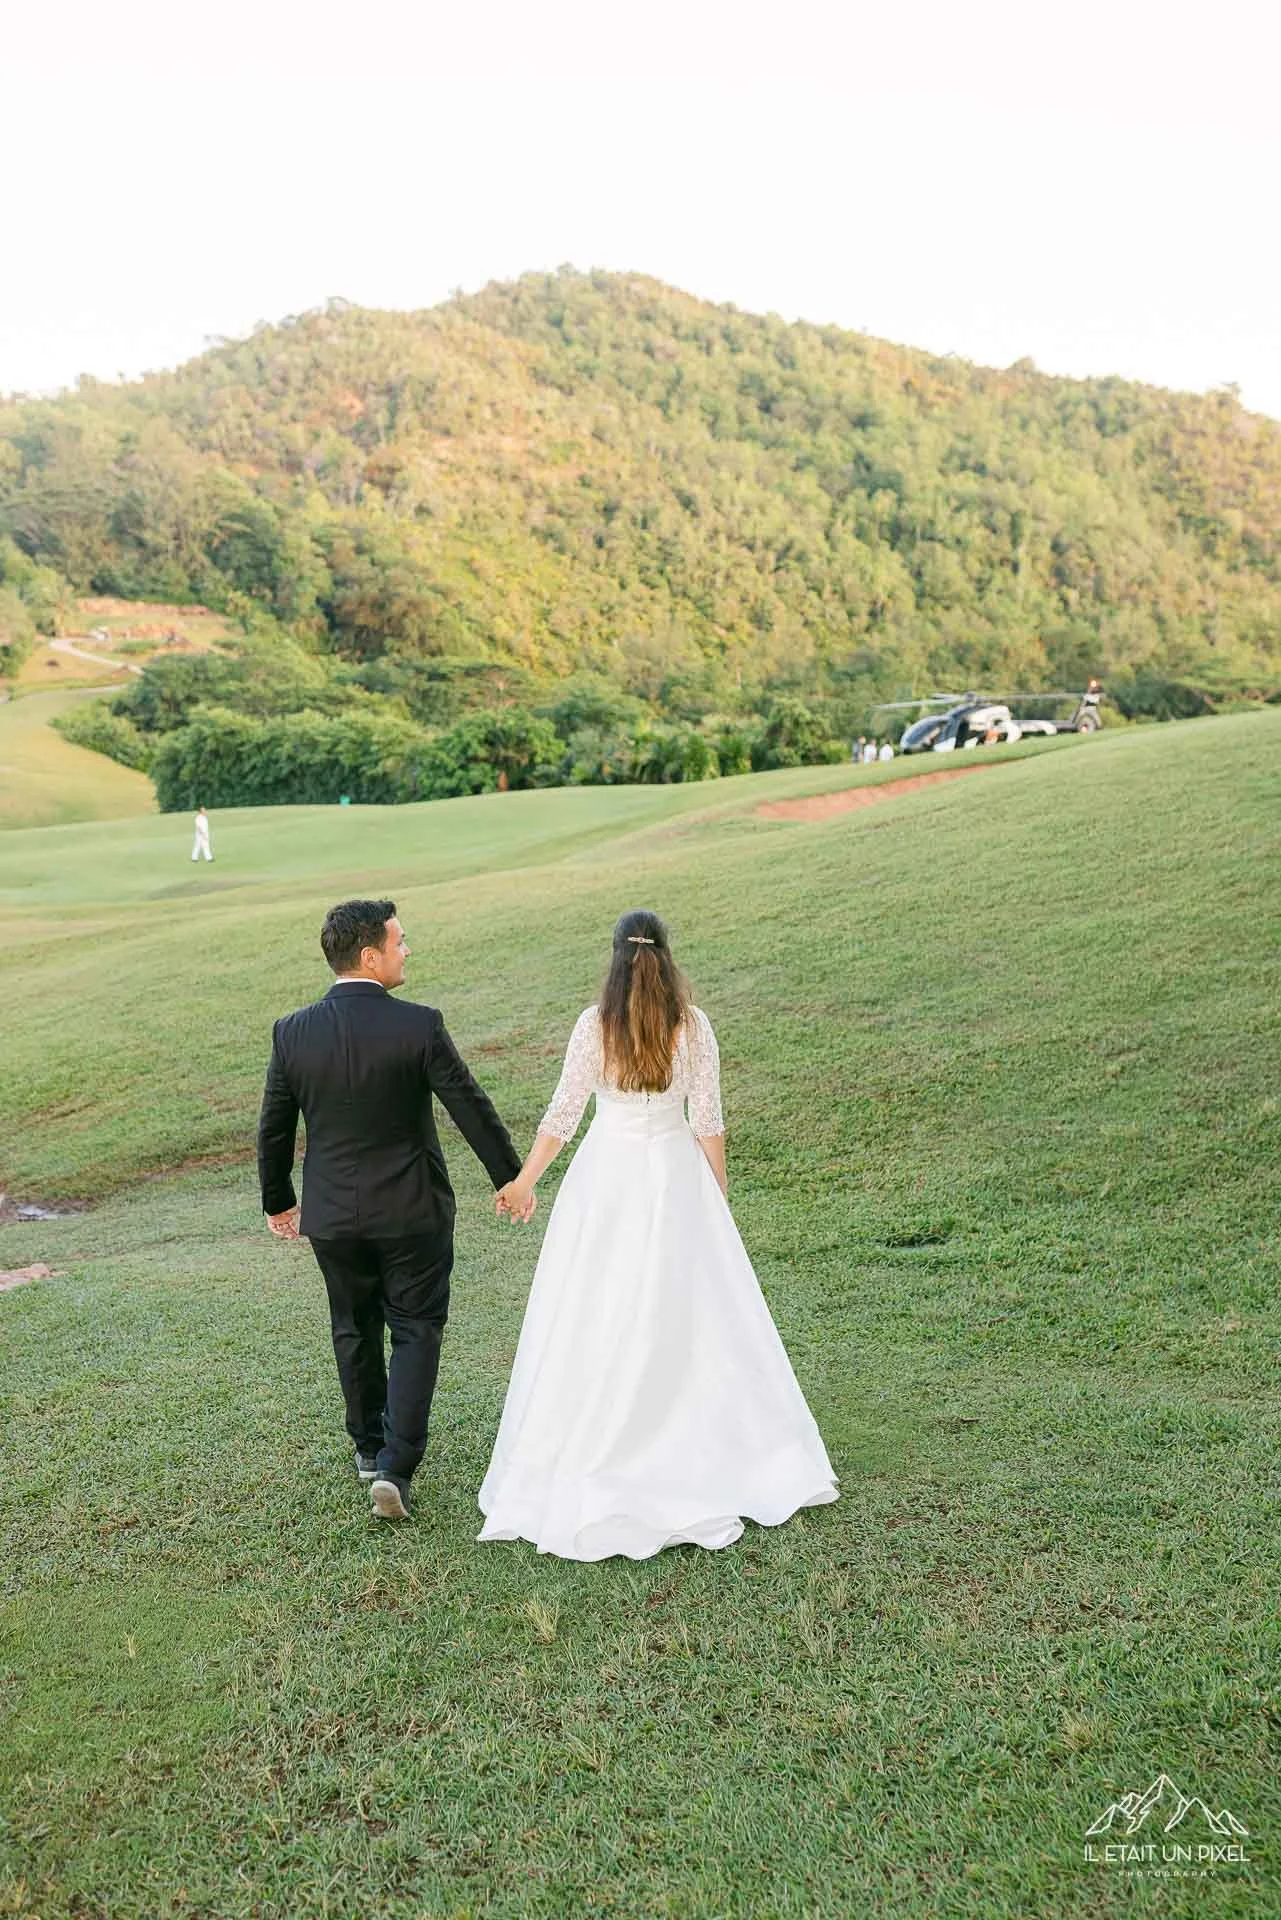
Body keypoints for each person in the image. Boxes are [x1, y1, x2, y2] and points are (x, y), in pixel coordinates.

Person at [479, 908, 838, 1561]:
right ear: (667, 957)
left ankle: (598, 1440)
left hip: (606, 1177)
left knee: (599, 1304)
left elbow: (561, 1115)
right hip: (674, 1174)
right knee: (687, 1309)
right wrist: (716, 1200)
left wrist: (526, 1180)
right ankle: (692, 1440)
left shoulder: (596, 1025)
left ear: (614, 958)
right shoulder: (691, 1026)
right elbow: (708, 1121)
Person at [257, 899, 522, 1522]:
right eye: (400, 942)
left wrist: (279, 1200)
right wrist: (509, 1177)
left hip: (332, 1217)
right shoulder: (419, 1026)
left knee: (352, 1327)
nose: (408, 950)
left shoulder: (292, 1031)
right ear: (370, 955)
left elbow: (273, 1127)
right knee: (416, 1329)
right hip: (412, 1212)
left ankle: (369, 1450)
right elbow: (469, 1104)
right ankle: (398, 1467)